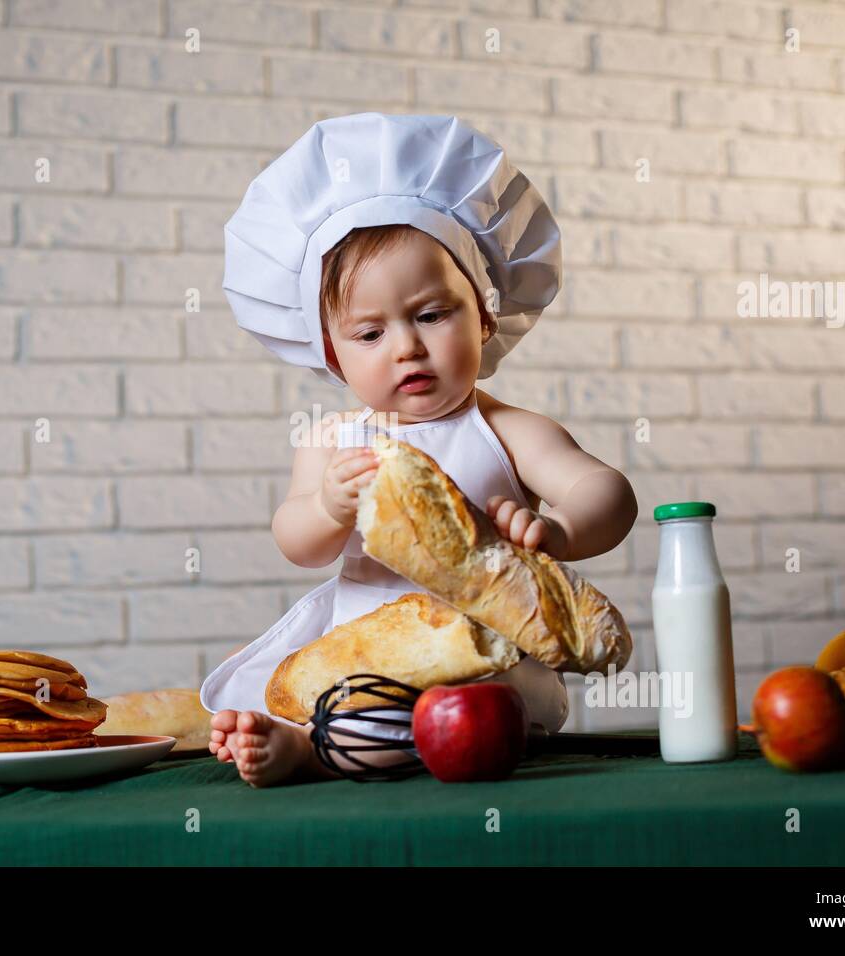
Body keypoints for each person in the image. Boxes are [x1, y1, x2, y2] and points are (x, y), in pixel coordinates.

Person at [202, 113, 637, 787]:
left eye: (432, 315)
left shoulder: (508, 429)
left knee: (426, 714)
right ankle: (303, 737)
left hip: (481, 651)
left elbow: (607, 492)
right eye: (369, 333)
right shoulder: (333, 440)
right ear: (331, 353)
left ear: (484, 316)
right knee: (325, 692)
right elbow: (298, 542)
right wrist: (327, 503)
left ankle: (313, 754)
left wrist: (561, 528)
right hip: (371, 640)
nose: (406, 346)